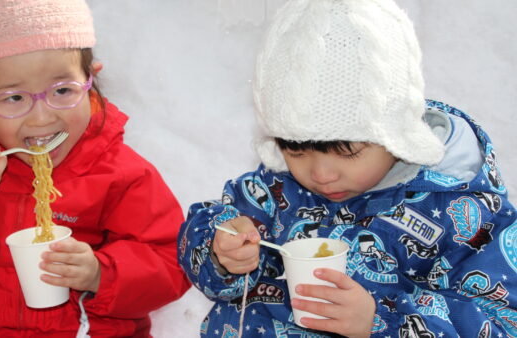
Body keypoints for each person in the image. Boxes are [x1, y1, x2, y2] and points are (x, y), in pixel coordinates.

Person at [177, 0, 517, 337]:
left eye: (347, 151)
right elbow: (208, 237)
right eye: (295, 148)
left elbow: (500, 322)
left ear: (395, 132)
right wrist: (221, 253)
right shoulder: (274, 187)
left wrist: (380, 322)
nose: (321, 174)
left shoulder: (459, 210)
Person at [0, 0, 190, 336]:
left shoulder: (119, 171)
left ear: (91, 79)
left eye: (62, 91)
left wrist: (100, 273)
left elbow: (171, 261)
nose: (42, 117)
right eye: (13, 98)